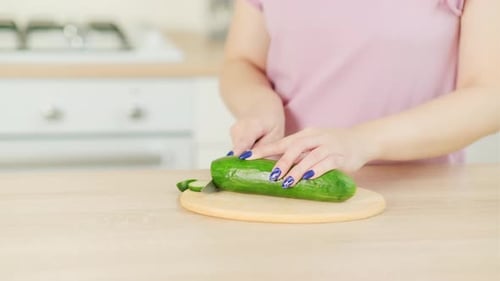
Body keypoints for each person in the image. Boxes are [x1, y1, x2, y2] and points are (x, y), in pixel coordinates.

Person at [219, 0, 500, 188]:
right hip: (289, 187)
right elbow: (242, 61)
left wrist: (362, 142)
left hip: (415, 196)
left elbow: (490, 96)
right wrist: (259, 106)